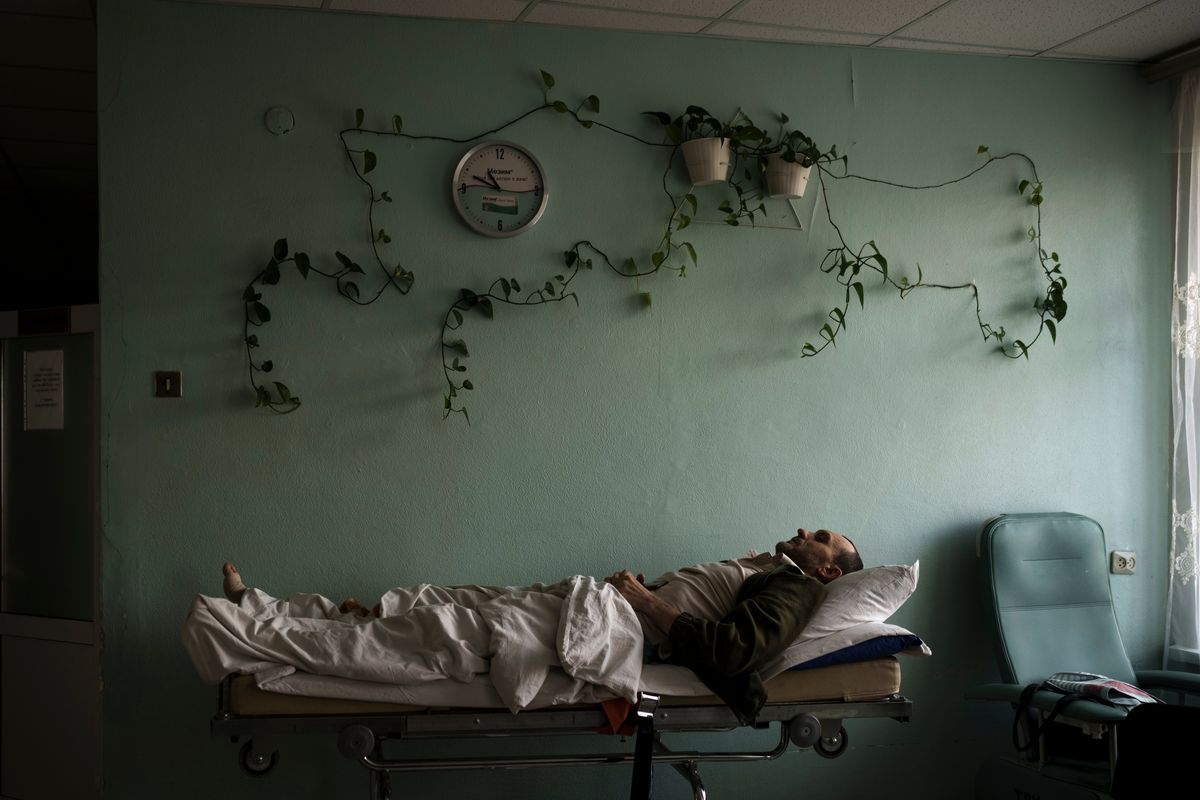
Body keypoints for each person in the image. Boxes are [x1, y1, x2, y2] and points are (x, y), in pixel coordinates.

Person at [218, 526, 862, 723]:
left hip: (622, 624)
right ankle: (288, 616)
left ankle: (257, 634)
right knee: (443, 597)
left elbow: (733, 650)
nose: (805, 532)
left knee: (450, 632)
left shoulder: (796, 590)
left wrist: (643, 598)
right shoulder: (770, 572)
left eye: (821, 538)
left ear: (829, 573)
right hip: (610, 606)